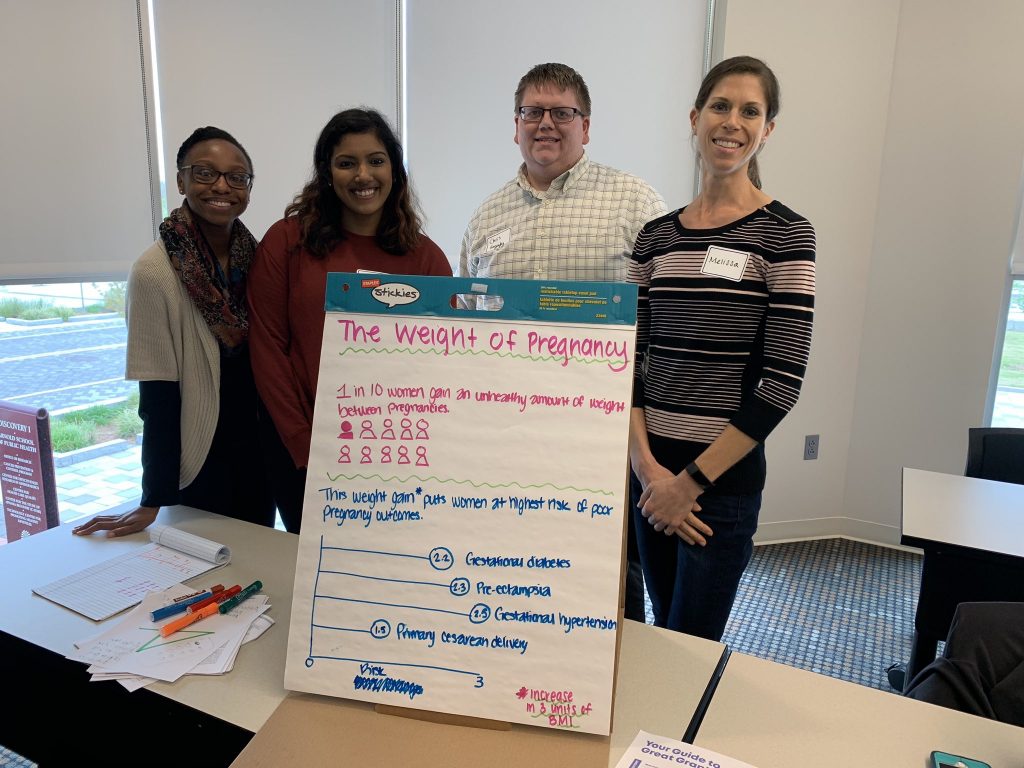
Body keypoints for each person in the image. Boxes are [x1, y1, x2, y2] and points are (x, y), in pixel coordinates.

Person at [459, 62, 665, 622]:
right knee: (522, 558)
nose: (545, 123)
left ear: (586, 126)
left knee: (613, 569)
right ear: (516, 124)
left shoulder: (635, 204)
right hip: (512, 429)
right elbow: (469, 329)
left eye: (562, 112)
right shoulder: (485, 218)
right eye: (533, 111)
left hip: (606, 426)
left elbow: (662, 317)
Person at [627, 56, 816, 641]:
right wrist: (649, 472)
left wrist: (689, 484)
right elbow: (628, 365)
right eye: (720, 106)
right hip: (651, 480)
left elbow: (781, 383)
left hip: (719, 489)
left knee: (691, 647)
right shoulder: (655, 237)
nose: (732, 122)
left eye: (750, 111)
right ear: (695, 117)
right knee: (658, 638)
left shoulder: (786, 233)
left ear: (768, 130)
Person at [249, 108, 451, 534]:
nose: (363, 175)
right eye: (347, 163)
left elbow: (441, 360)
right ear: (327, 172)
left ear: (394, 169)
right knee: (316, 578)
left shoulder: (426, 257)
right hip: (303, 451)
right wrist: (304, 444)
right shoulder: (286, 243)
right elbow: (269, 350)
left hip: (398, 453)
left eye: (376, 160)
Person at [73, 127, 275, 538]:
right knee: (206, 577)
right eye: (205, 173)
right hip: (201, 455)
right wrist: (153, 497)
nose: (222, 185)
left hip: (260, 451)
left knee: (260, 567)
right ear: (181, 181)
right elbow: (158, 397)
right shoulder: (155, 272)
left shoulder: (258, 260)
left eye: (237, 177)